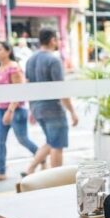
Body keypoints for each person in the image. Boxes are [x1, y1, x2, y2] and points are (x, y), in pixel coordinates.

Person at [24, 28, 78, 171]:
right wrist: (72, 111)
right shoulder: (53, 60)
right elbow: (60, 90)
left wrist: (31, 109)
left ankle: (30, 169)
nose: (59, 42)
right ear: (53, 40)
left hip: (37, 107)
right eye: (58, 39)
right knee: (57, 145)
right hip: (52, 108)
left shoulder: (30, 60)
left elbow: (27, 86)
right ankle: (55, 177)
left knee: (51, 141)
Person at [0, 42, 39, 181]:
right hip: (0, 109)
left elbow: (19, 91)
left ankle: (40, 156)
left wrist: (10, 110)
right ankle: (1, 172)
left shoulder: (14, 67)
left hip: (15, 110)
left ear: (8, 51)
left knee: (22, 139)